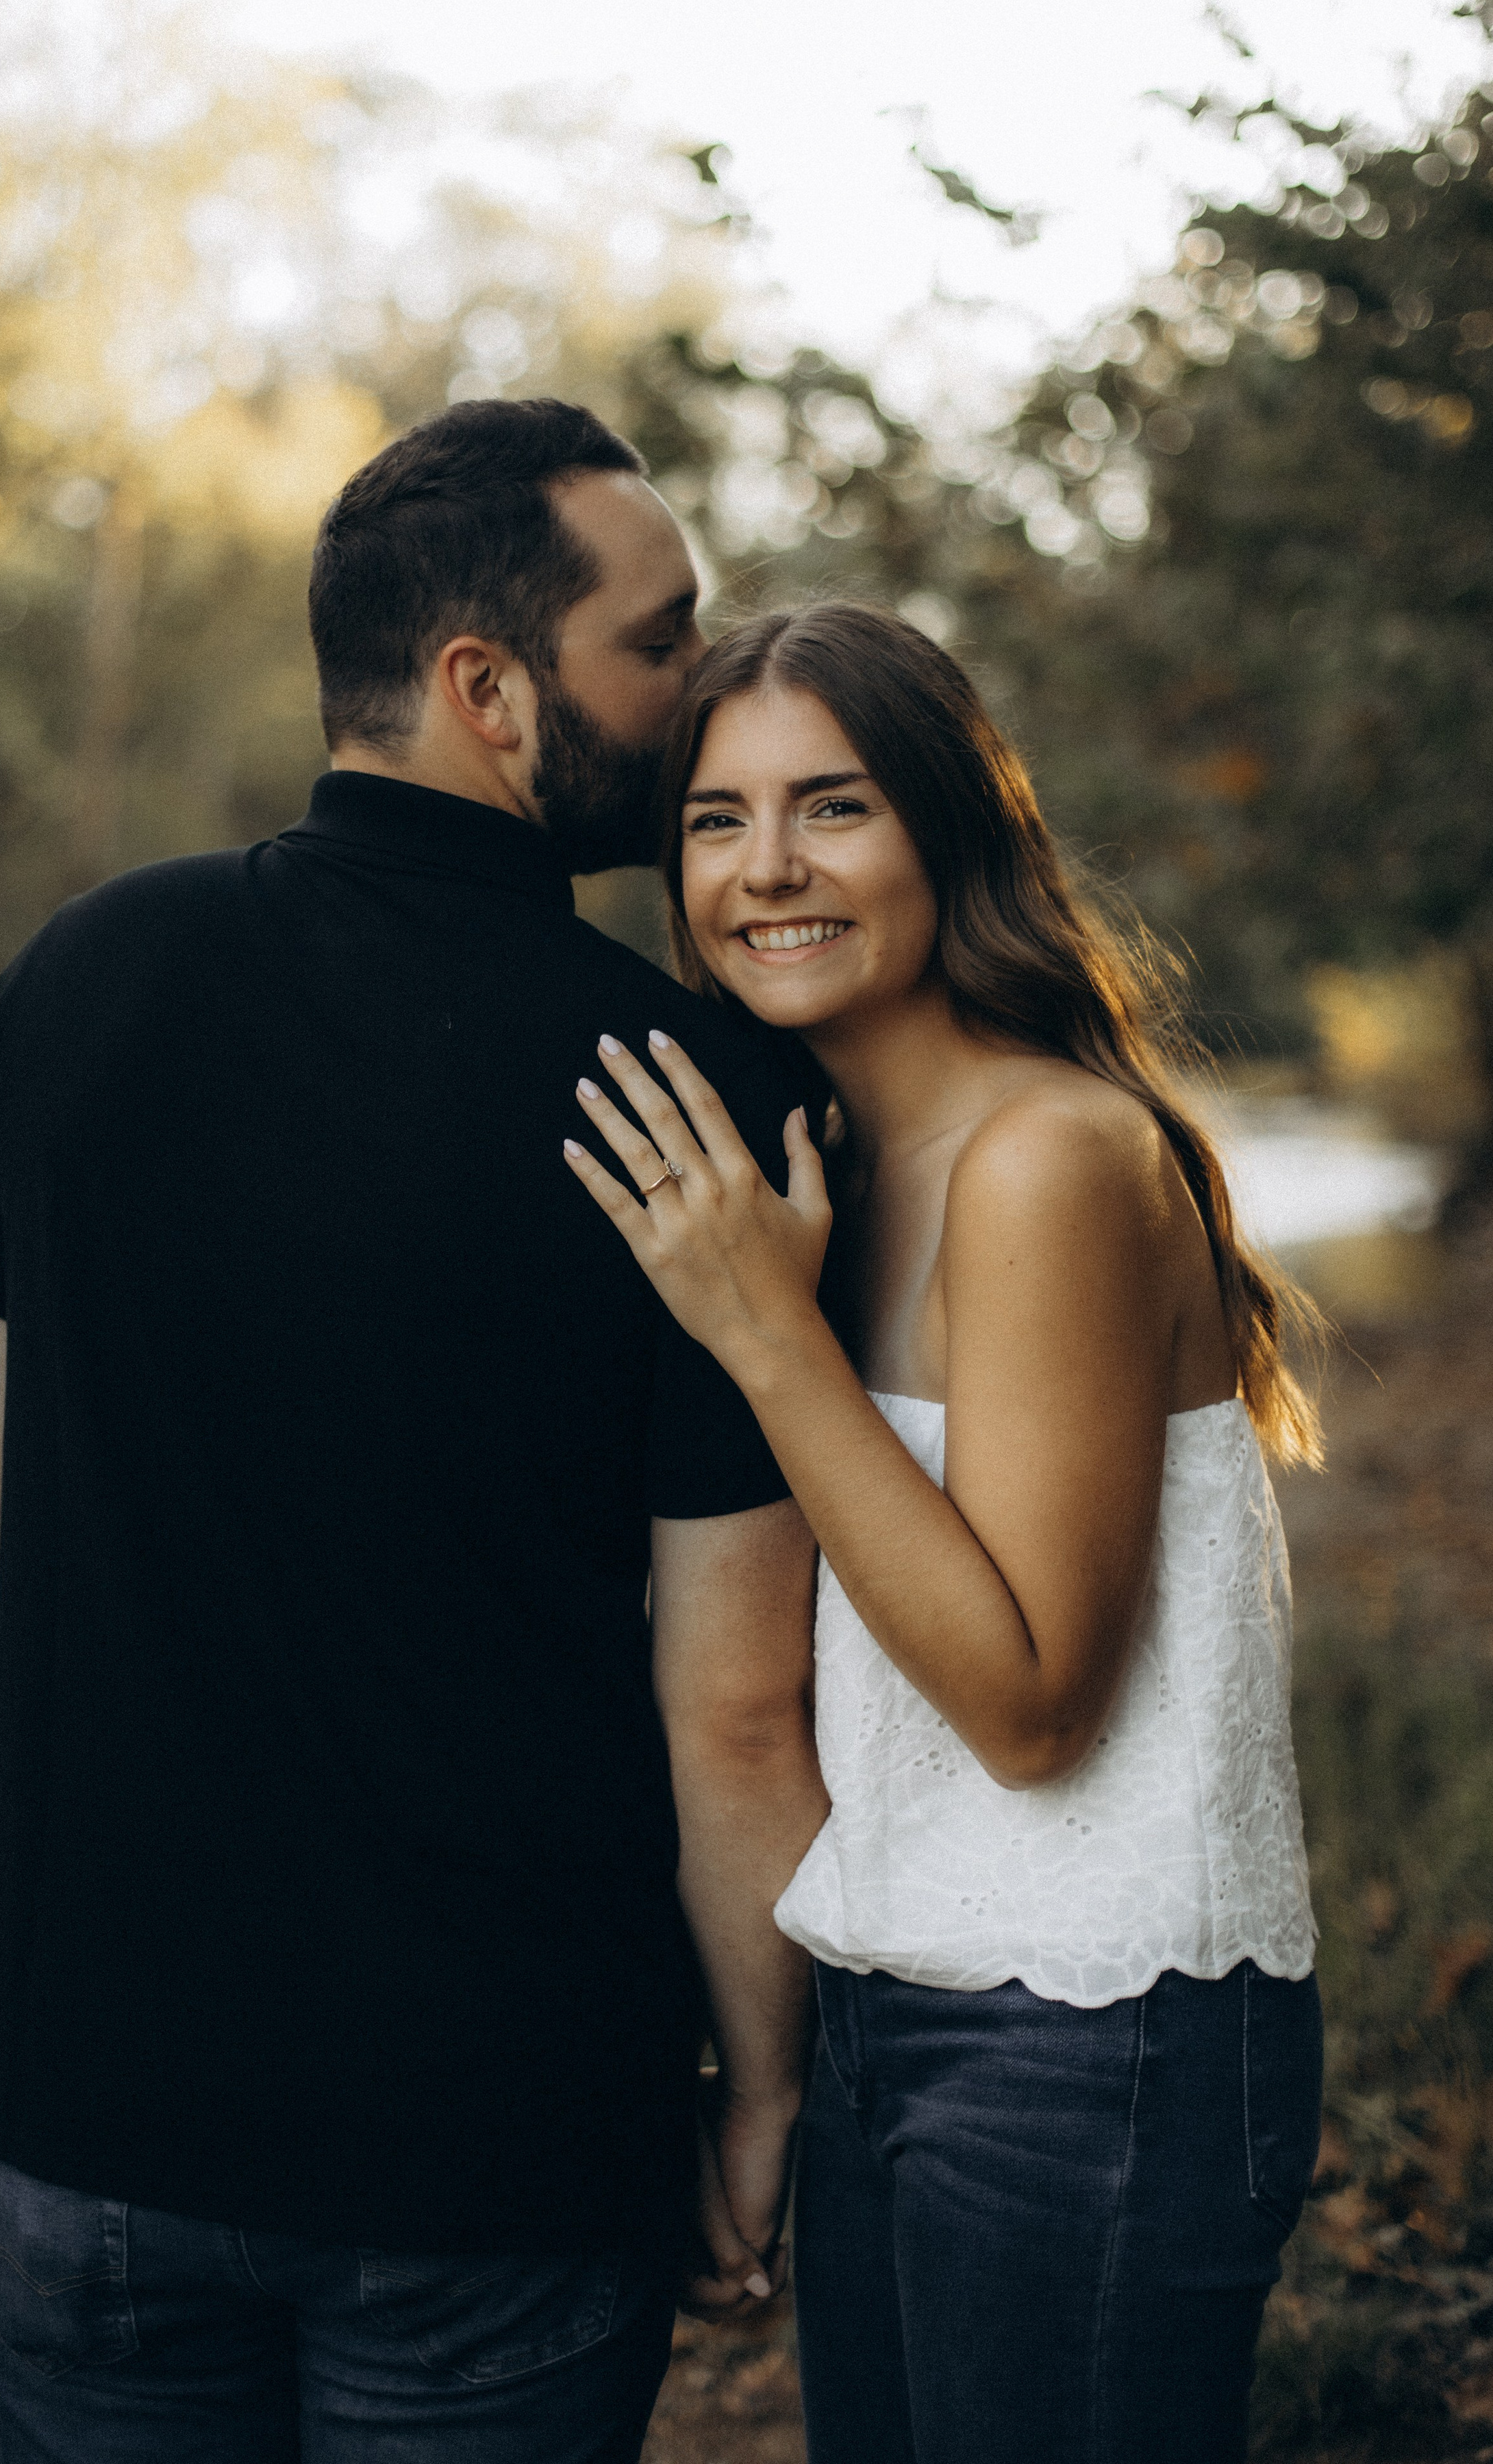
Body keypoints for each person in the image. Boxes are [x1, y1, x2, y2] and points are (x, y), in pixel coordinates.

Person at [0, 400, 827, 2464]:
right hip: (489, 2149)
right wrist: (763, 2090)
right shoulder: (682, 1100)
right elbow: (735, 1706)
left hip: (93, 2101)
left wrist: (98, 1868)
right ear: (490, 690)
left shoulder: (83, 974)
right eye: (661, 646)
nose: (703, 695)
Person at [562, 599, 1323, 2464]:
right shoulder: (848, 1166)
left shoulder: (1049, 1160)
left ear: (950, 832)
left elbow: (1031, 1703)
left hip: (1102, 2026)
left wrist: (762, 1335)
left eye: (833, 808)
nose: (768, 871)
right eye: (718, 822)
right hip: (899, 2005)